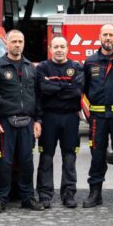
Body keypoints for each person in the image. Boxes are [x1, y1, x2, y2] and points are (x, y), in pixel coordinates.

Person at [0, 29, 44, 213]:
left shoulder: (31, 68)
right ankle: (0, 199)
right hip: (4, 123)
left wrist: (38, 120)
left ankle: (28, 198)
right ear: (7, 44)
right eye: (14, 41)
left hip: (27, 122)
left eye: (20, 41)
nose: (17, 45)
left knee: (27, 162)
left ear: (24, 44)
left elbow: (38, 96)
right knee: (4, 163)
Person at [82, 24, 113, 209]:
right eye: (105, 35)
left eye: (111, 35)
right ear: (100, 37)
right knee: (97, 156)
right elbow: (84, 89)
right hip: (98, 117)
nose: (108, 38)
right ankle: (95, 194)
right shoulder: (90, 62)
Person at [36, 36, 84, 209]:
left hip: (70, 118)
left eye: (62, 46)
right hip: (49, 117)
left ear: (67, 48)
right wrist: (65, 86)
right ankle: (44, 194)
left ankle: (69, 194)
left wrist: (53, 85)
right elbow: (43, 89)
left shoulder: (76, 67)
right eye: (55, 46)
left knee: (69, 157)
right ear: (50, 48)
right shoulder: (42, 68)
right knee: (46, 158)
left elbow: (77, 91)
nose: (59, 50)